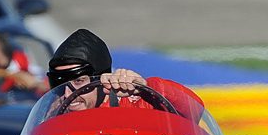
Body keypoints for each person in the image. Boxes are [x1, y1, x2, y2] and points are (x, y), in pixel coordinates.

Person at [47, 28, 204, 119]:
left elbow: (195, 110)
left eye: (79, 81)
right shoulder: (52, 112)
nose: (68, 94)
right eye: (60, 84)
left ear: (103, 78)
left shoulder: (136, 104)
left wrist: (146, 87)